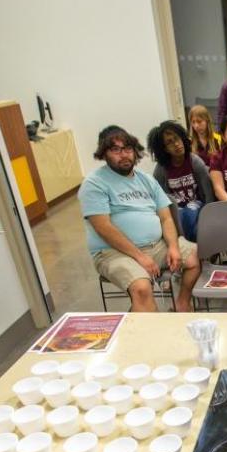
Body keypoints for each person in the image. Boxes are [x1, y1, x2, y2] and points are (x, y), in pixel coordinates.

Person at [79, 125, 200, 312]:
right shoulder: (94, 183)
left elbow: (166, 218)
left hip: (156, 246)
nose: (124, 154)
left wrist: (174, 247)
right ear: (104, 154)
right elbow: (103, 227)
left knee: (195, 256)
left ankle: (182, 304)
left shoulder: (146, 180)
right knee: (142, 289)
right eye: (115, 150)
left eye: (127, 148)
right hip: (113, 252)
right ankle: (143, 335)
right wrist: (140, 256)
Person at [148, 121, 214, 243]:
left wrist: (210, 217)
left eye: (177, 138)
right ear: (164, 149)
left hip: (197, 206)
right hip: (175, 210)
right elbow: (160, 201)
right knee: (181, 215)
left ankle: (191, 249)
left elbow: (209, 195)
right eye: (169, 142)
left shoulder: (195, 162)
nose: (177, 144)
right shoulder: (161, 170)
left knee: (189, 214)